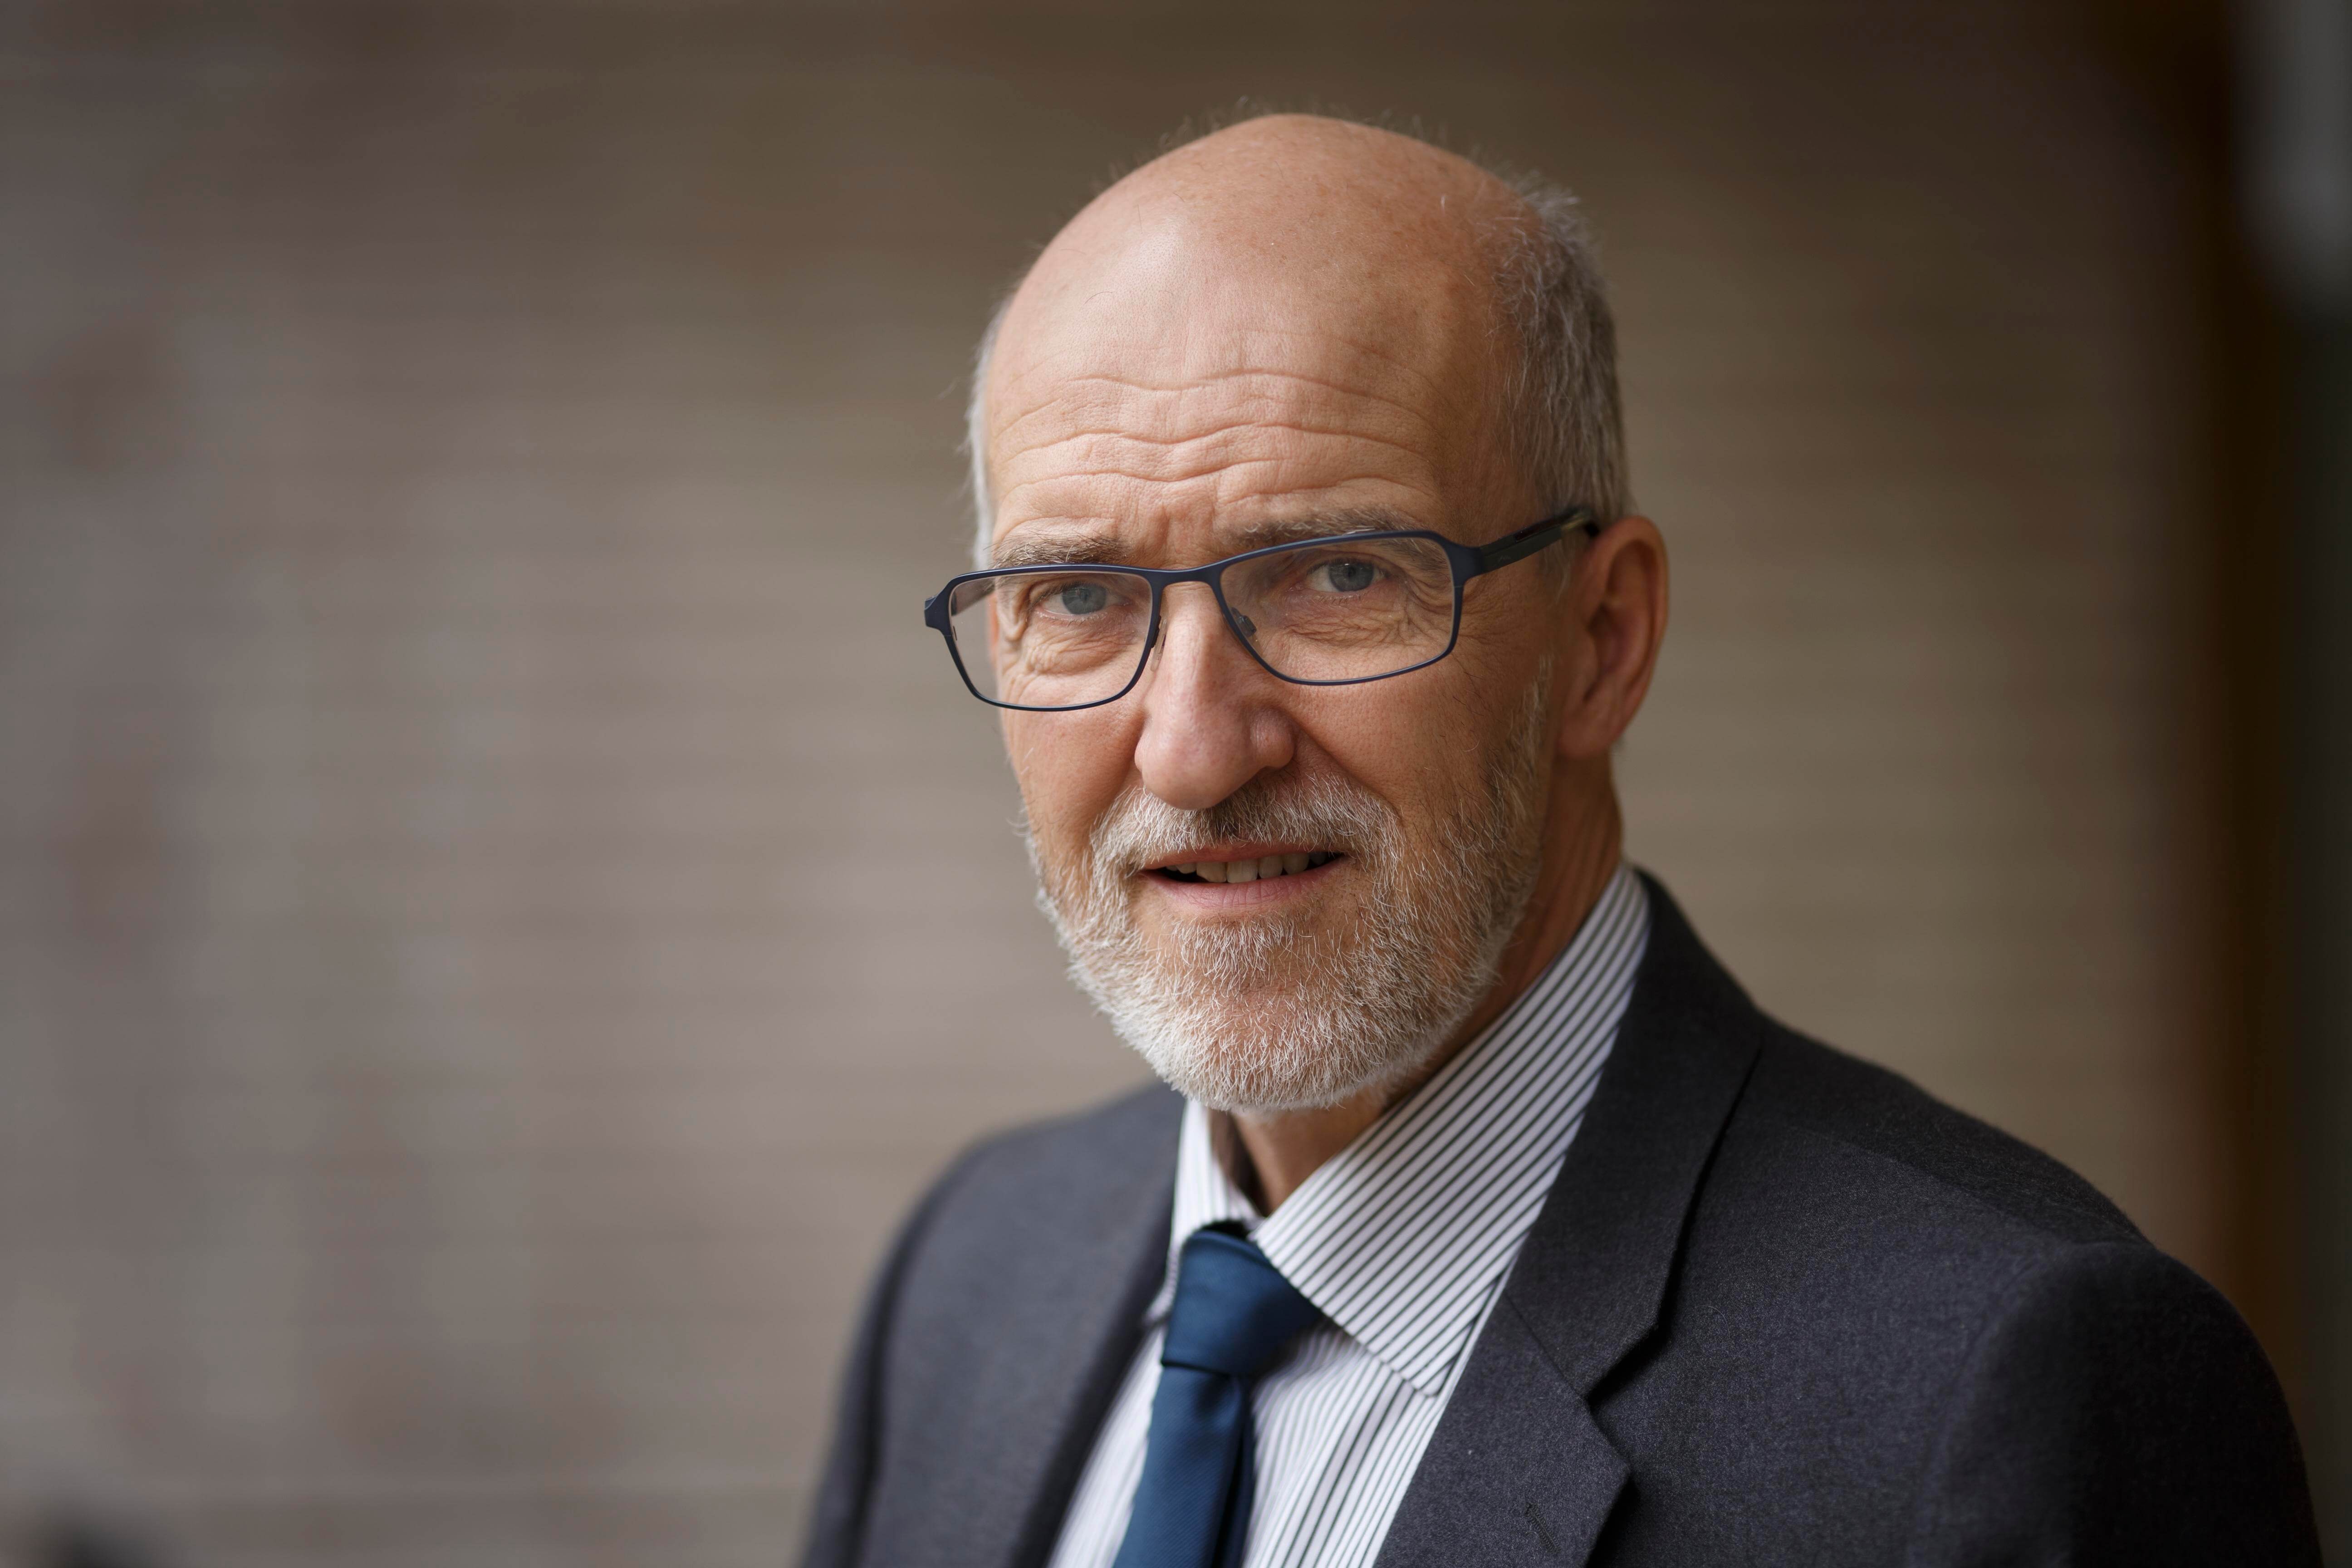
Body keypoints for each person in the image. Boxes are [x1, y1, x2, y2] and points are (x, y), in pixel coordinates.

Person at [801, 114, 2319, 1568]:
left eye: (1341, 575)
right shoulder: (973, 1276)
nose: (1194, 751)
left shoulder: (2011, 1391)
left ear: (1603, 639)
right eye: (1077, 597)